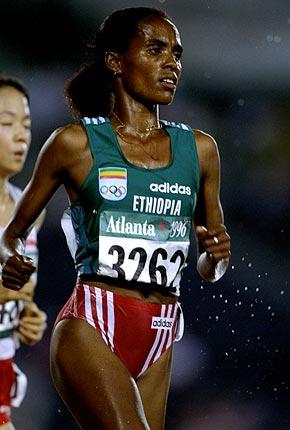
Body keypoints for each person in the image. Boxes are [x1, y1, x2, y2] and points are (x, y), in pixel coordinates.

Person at [0, 7, 231, 430]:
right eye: (156, 50)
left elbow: (209, 267)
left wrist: (216, 257)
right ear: (115, 61)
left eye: (177, 55)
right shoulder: (75, 143)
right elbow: (12, 233)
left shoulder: (200, 151)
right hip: (92, 324)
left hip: (161, 332)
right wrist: (12, 257)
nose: (172, 65)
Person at [0, 74, 47, 430]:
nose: (20, 135)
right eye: (6, 123)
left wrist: (26, 317)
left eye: (26, 125)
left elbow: (21, 299)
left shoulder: (31, 209)